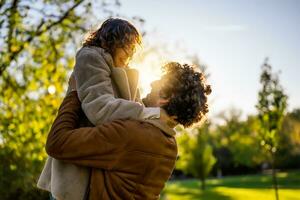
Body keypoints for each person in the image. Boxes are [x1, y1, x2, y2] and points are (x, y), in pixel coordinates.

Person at [46, 62, 211, 199]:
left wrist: (74, 93)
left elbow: (57, 142)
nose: (152, 83)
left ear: (166, 97)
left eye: (160, 81)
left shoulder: (132, 134)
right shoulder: (170, 145)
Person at [37, 18, 160, 200]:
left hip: (103, 163)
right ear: (110, 40)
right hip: (77, 160)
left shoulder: (126, 72)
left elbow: (136, 114)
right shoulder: (90, 57)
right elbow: (100, 108)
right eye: (127, 44)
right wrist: (149, 114)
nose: (130, 51)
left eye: (133, 47)